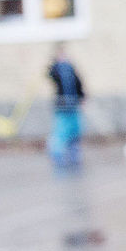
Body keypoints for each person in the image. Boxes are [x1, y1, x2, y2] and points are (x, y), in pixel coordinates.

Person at [46, 43, 86, 171]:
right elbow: (51, 75)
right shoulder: (56, 70)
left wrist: (82, 96)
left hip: (73, 102)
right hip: (62, 103)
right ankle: (57, 154)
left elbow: (78, 83)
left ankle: (74, 154)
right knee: (62, 129)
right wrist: (54, 64)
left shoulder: (71, 69)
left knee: (75, 129)